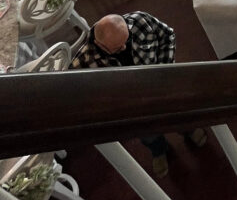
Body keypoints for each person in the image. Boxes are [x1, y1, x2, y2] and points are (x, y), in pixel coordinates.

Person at [70, 11, 206, 178]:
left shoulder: (140, 20)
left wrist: (165, 70)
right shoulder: (82, 63)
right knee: (148, 134)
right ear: (100, 44)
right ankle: (159, 151)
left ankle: (188, 130)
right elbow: (82, 98)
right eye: (118, 48)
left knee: (179, 114)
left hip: (162, 89)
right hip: (134, 108)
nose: (125, 48)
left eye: (126, 40)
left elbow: (167, 35)